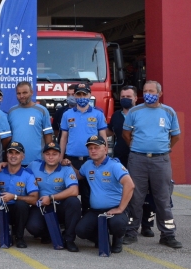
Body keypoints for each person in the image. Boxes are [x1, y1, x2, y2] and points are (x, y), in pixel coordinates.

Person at [122, 80, 182, 249]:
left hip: (160, 160)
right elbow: (126, 133)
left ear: (159, 93)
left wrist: (164, 148)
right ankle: (131, 232)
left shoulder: (168, 112)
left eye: (151, 91)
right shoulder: (135, 111)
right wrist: (136, 147)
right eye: (146, 90)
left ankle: (168, 235)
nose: (148, 93)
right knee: (135, 197)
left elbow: (176, 136)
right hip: (138, 159)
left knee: (163, 198)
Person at [108, 86, 155, 237]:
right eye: (122, 96)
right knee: (126, 192)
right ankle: (128, 225)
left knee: (145, 193)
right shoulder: (116, 115)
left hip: (141, 160)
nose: (125, 99)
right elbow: (109, 132)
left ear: (136, 98)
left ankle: (147, 225)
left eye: (128, 96)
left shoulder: (143, 114)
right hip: (121, 160)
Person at [75, 136, 134, 254]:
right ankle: (102, 238)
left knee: (117, 224)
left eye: (96, 148)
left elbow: (130, 185)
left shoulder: (115, 165)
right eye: (90, 148)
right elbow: (77, 176)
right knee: (81, 231)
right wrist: (67, 164)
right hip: (96, 210)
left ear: (106, 150)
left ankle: (118, 239)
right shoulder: (87, 165)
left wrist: (120, 208)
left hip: (115, 209)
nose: (93, 150)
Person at [26, 141, 82, 252]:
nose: (51, 157)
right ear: (43, 155)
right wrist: (5, 165)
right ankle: (47, 234)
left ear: (60, 156)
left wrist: (51, 198)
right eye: (48, 154)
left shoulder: (66, 169)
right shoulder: (34, 165)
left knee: (74, 202)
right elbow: (19, 173)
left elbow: (74, 190)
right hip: (41, 206)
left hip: (60, 205)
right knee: (33, 227)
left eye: (54, 154)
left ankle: (69, 239)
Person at [60, 83, 107, 214]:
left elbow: (103, 137)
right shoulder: (67, 114)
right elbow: (64, 137)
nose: (81, 97)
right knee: (70, 192)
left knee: (89, 192)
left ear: (90, 95)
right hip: (71, 159)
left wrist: (104, 156)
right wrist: (61, 157)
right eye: (79, 94)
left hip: (91, 159)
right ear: (74, 96)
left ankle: (88, 220)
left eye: (84, 94)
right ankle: (68, 221)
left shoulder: (98, 114)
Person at [0, 142, 39, 248]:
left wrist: (14, 197)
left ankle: (19, 237)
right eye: (10, 152)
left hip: (17, 212)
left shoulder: (28, 174)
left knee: (22, 205)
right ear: (6, 155)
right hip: (0, 209)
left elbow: (34, 199)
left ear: (22, 157)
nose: (13, 156)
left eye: (17, 153)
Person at [7, 81, 54, 166]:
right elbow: (7, 138)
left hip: (37, 161)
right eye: (18, 93)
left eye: (25, 92)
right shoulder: (11, 111)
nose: (21, 96)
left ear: (32, 92)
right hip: (16, 162)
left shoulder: (42, 111)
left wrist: (48, 156)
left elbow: (48, 135)